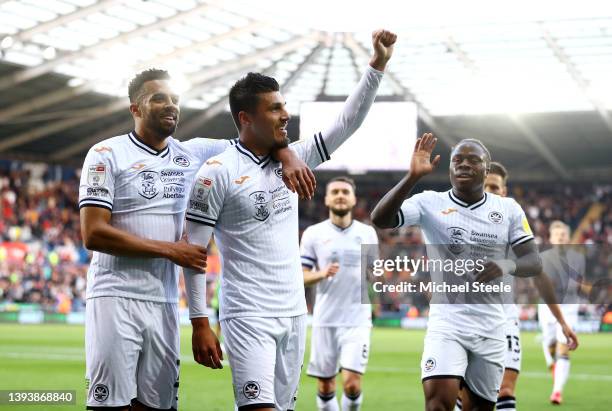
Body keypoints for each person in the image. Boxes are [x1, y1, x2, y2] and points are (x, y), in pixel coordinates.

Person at [183, 29, 396, 411]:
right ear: (246, 118)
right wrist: (200, 321)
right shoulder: (216, 172)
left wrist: (377, 65)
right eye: (275, 109)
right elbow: (194, 253)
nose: (286, 115)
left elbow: (348, 122)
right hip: (248, 314)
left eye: (284, 106)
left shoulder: (296, 156)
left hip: (296, 312)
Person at [79, 69, 315, 410]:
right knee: (110, 404)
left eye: (175, 99)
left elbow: (259, 140)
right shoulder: (105, 154)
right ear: (135, 108)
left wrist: (289, 154)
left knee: (159, 405)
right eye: (158, 98)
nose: (170, 105)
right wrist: (169, 249)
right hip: (115, 295)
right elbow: (93, 233)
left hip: (164, 301)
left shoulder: (194, 153)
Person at [371, 134, 542, 411]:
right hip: (447, 323)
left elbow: (533, 261)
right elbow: (380, 219)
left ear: (487, 170)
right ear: (449, 167)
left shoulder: (508, 209)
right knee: (438, 404)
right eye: (457, 160)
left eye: (473, 160)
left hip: (491, 326)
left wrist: (505, 265)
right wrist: (411, 177)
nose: (464, 165)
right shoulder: (429, 202)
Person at [453, 162, 578, 411]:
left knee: (506, 390)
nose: (489, 190)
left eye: (495, 186)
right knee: (466, 400)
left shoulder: (514, 224)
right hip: (464, 320)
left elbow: (538, 273)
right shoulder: (456, 221)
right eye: (485, 184)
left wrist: (562, 321)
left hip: (504, 319)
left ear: (503, 190)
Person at [300, 176, 379, 411]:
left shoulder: (367, 233)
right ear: (326, 199)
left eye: (345, 191)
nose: (340, 195)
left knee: (352, 384)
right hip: (325, 319)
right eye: (335, 192)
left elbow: (376, 272)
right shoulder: (313, 234)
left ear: (354, 199)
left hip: (357, 319)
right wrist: (322, 273)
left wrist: (378, 276)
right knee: (325, 386)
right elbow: (300, 276)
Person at [538, 220, 585, 405]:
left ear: (568, 237)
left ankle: (557, 391)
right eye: (557, 235)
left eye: (564, 235)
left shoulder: (577, 257)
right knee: (549, 344)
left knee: (563, 345)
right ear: (551, 238)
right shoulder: (543, 257)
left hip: (569, 307)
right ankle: (554, 366)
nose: (561, 237)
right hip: (548, 306)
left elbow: (577, 282)